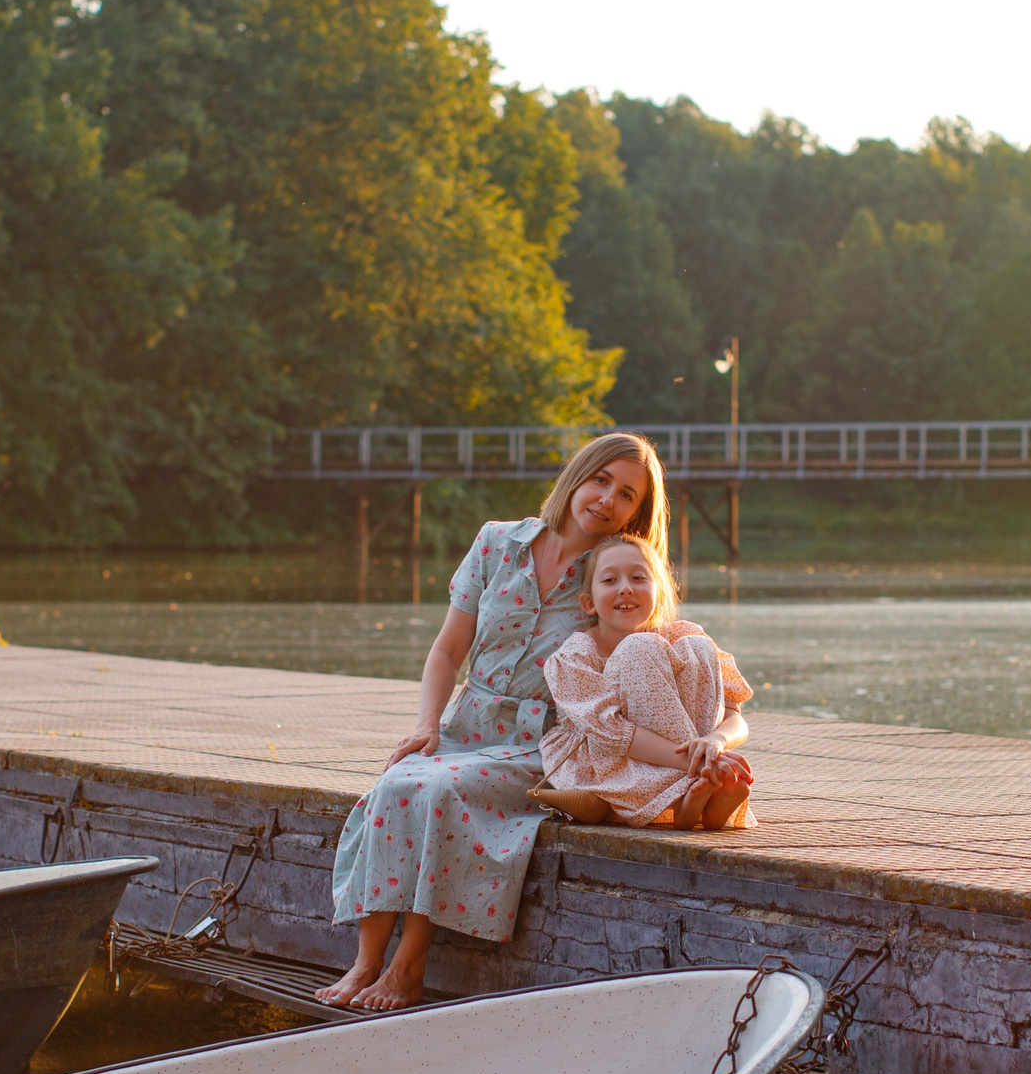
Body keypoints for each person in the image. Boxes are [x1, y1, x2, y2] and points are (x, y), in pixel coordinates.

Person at [317, 433, 669, 1011]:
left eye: (627, 494)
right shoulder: (496, 543)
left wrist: (702, 736)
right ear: (578, 476)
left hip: (542, 744)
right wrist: (428, 726)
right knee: (399, 780)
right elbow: (446, 652)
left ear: (637, 513)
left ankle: (408, 967)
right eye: (601, 479)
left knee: (438, 788)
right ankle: (364, 964)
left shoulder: (612, 575)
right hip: (464, 725)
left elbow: (652, 656)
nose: (607, 499)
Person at [533, 534, 754, 830]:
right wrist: (697, 764)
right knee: (639, 648)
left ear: (658, 593)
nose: (625, 588)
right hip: (608, 755)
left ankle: (706, 798)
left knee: (696, 645)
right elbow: (612, 734)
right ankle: (686, 798)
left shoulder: (681, 639)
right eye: (610, 581)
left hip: (686, 758)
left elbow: (733, 715)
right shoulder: (575, 656)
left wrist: (716, 742)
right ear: (588, 603)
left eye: (638, 578)